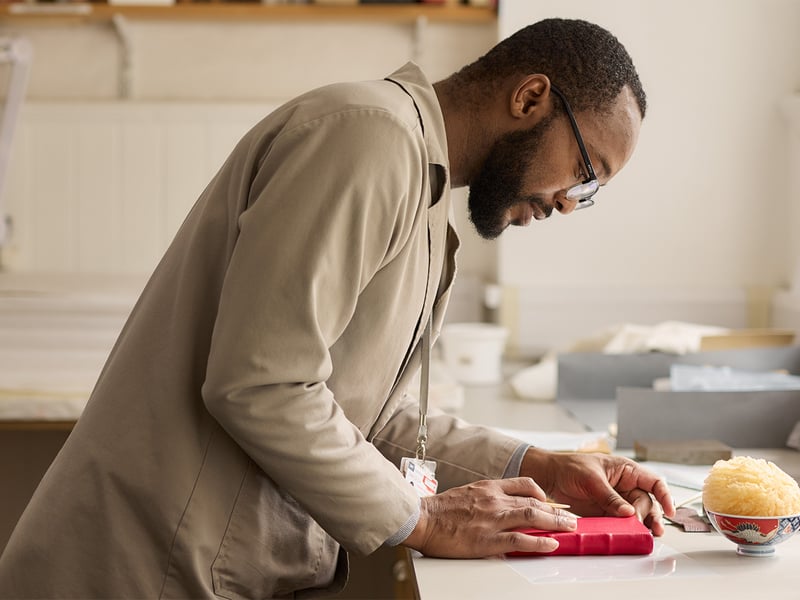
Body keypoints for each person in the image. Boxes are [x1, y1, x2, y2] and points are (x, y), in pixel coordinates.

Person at [0, 17, 674, 599]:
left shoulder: (416, 179)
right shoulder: (368, 139)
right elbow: (261, 385)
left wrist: (537, 465)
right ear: (531, 97)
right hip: (147, 574)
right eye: (586, 174)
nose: (567, 203)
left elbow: (368, 412)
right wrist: (425, 519)